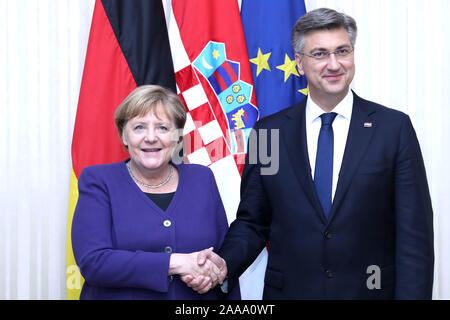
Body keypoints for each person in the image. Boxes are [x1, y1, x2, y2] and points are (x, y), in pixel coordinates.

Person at [195, 8, 434, 299]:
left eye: (342, 51)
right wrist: (224, 263)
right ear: (299, 64)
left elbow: (414, 235)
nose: (334, 64)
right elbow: (254, 221)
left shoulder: (393, 129)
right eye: (319, 54)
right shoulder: (268, 133)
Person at [71, 85, 235, 299]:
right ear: (124, 136)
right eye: (139, 127)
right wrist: (177, 263)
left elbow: (220, 256)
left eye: (162, 128)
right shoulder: (98, 181)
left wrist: (211, 276)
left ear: (177, 137)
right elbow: (94, 262)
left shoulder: (202, 179)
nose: (151, 137)